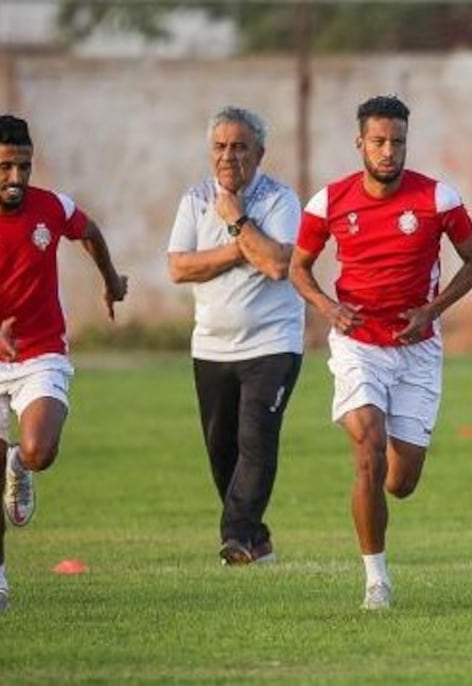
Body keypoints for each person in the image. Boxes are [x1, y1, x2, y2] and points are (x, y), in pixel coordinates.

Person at [289, 95, 472, 610]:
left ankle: (387, 494)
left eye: (397, 141)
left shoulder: (437, 198)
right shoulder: (328, 202)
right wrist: (329, 309)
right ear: (360, 143)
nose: (388, 151)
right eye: (378, 141)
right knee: (368, 452)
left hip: (417, 350)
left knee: (401, 482)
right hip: (358, 345)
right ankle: (376, 580)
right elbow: (298, 268)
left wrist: (432, 310)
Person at [0, 114, 128, 614]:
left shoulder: (51, 207)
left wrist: (110, 279)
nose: (17, 177)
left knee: (39, 450)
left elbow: (90, 231)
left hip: (41, 351)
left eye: (24, 166)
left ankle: (24, 462)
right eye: (5, 167)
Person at [167, 106, 304, 566]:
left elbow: (277, 263)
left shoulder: (280, 200)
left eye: (240, 147)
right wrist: (240, 245)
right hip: (210, 345)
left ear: (260, 153)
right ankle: (257, 537)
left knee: (256, 439)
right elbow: (179, 266)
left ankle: (237, 537)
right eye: (221, 147)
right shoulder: (194, 199)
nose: (229, 156)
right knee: (221, 453)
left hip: (272, 345)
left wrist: (239, 219)